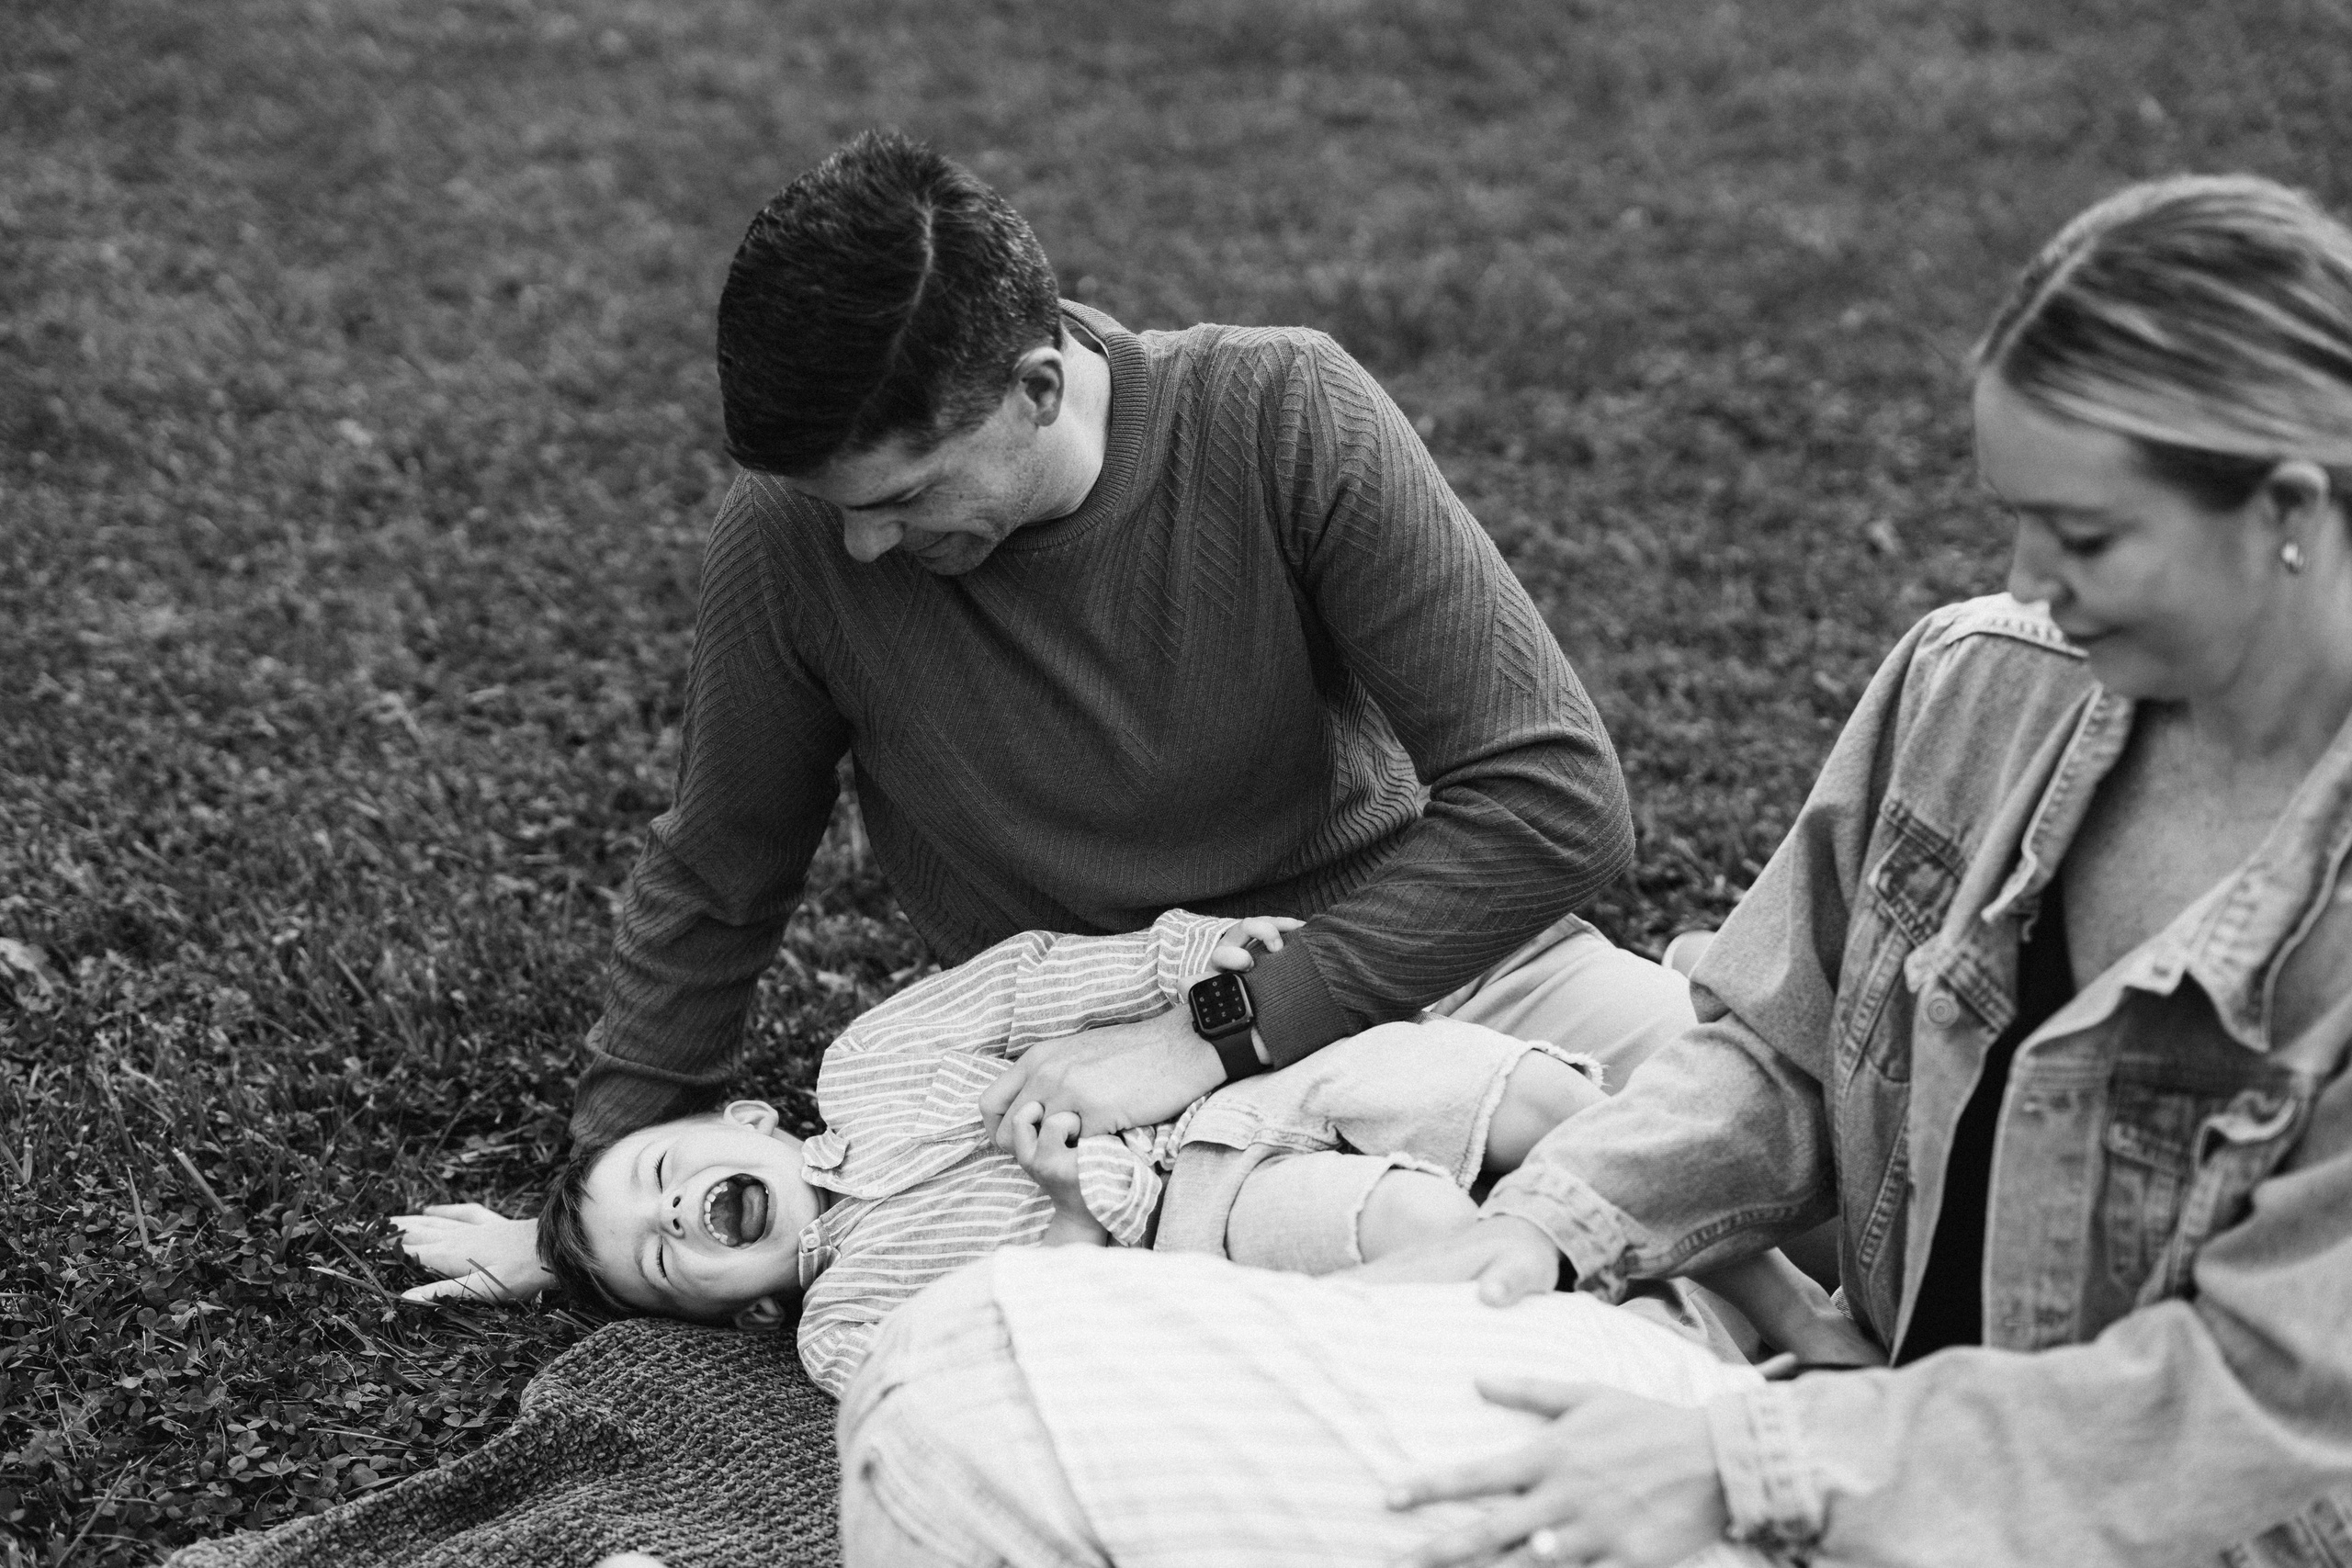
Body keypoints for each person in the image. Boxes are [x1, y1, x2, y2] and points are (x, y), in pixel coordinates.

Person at [834, 172, 2352, 1567]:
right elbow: (1772, 1049)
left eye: (2082, 533)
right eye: (2014, 519)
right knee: (962, 1377)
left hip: (2060, 1521)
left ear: (2285, 512)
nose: (2027, 581)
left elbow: (2247, 1411)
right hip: (1818, 1424)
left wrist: (1743, 1461)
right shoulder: (1980, 686)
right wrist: (1536, 1228)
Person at [396, 128, 1695, 1303]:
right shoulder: (791, 537)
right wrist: (596, 1206)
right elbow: (723, 865)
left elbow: (1555, 801)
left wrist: (1214, 1032)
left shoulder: (1280, 414)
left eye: (902, 496)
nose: (859, 547)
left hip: (1421, 959)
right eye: (835, 503)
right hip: (1088, 1106)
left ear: (1036, 385)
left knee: (1777, 1131)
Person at [531, 910, 1874, 1396]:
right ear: (735, 1305)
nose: (676, 1217)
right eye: (665, 1262)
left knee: (1499, 1083)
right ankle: (1704, 1377)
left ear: (743, 1124)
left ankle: (1777, 1301)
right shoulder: (844, 1325)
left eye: (662, 1175)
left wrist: (1187, 964)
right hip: (1194, 1224)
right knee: (1413, 1228)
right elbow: (1040, 1350)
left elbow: (1025, 983)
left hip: (1251, 1083)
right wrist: (1064, 1212)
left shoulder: (868, 1065)